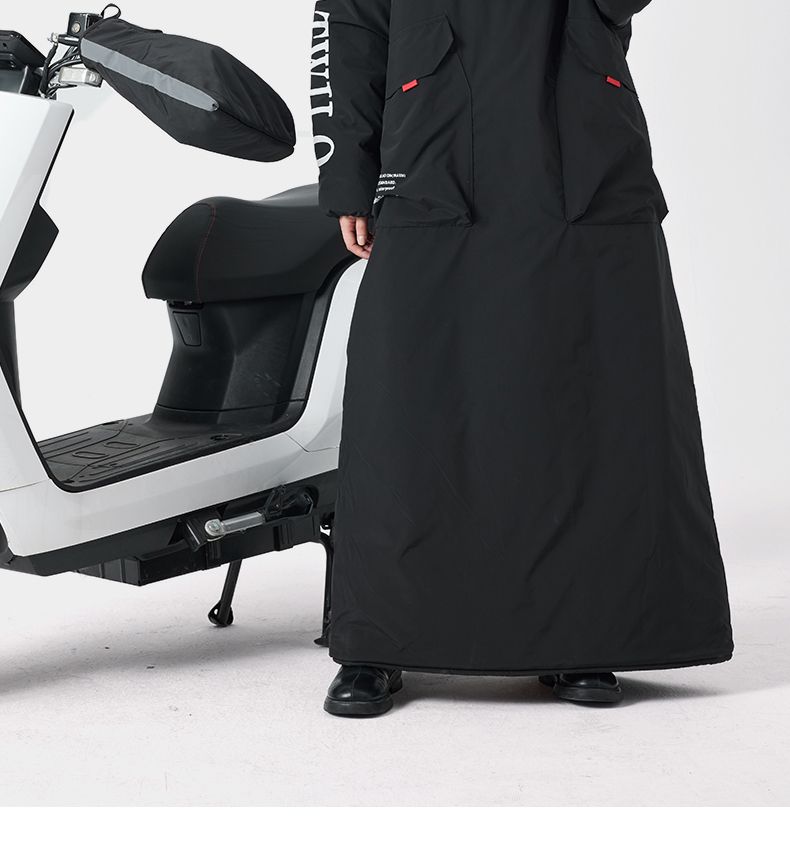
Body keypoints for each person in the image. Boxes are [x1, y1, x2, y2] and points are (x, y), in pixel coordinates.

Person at [310, 0, 733, 717]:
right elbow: (349, 26)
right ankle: (378, 641)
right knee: (406, 405)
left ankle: (586, 635)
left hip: (578, 152)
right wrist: (348, 172)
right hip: (432, 151)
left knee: (589, 396)